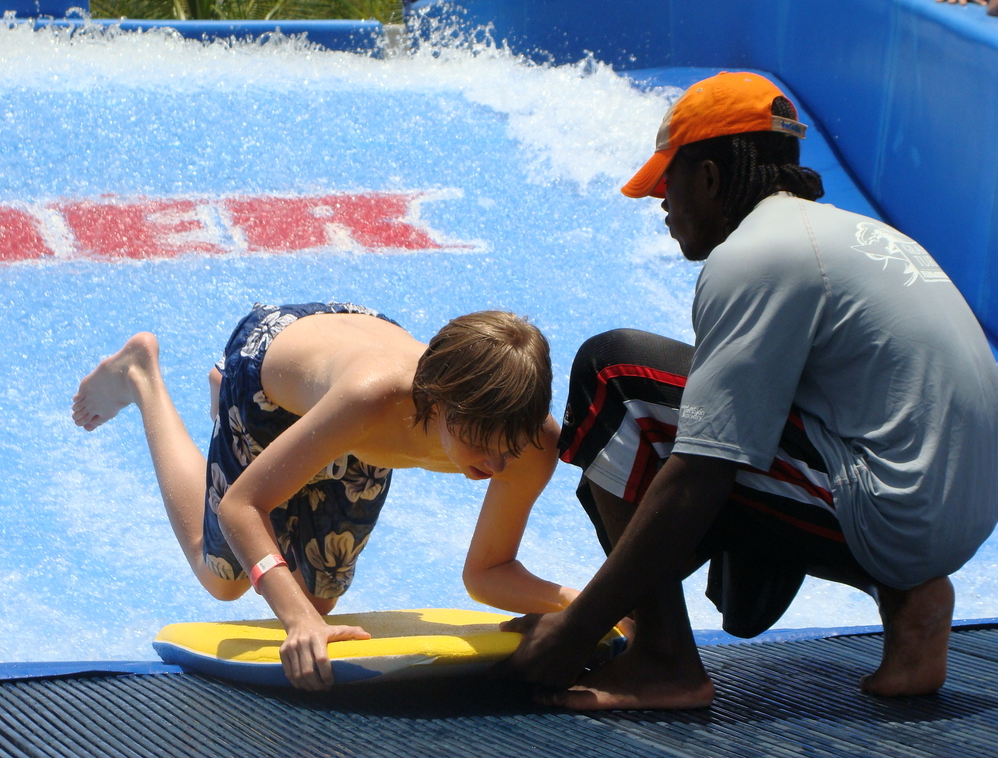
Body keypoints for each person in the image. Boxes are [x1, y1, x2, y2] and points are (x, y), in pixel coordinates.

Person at [497, 72, 998, 710]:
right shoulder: (845, 234)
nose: (662, 205)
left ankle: (664, 662)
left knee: (612, 380)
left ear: (707, 177)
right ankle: (910, 604)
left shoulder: (755, 255)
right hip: (957, 513)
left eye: (666, 184)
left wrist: (576, 630)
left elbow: (702, 470)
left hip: (894, 512)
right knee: (702, 422)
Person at [73, 302, 574, 691]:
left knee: (319, 598)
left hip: (348, 373)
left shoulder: (532, 441)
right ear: (437, 403)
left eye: (508, 447)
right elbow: (240, 508)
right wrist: (297, 623)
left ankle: (243, 405)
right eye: (481, 445)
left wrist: (596, 606)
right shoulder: (373, 401)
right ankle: (142, 377)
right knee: (225, 578)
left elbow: (486, 575)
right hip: (273, 368)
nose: (498, 466)